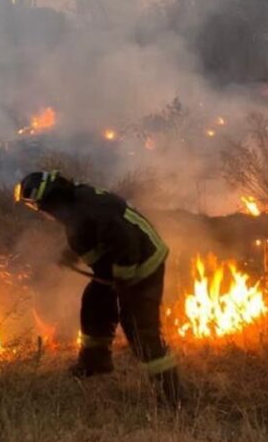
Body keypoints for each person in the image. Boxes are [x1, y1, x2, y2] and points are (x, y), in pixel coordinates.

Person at [15, 170, 180, 402]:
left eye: (38, 206)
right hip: (117, 263)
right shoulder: (76, 202)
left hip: (143, 264)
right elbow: (90, 234)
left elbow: (126, 243)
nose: (41, 213)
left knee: (138, 327)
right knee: (95, 302)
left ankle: (171, 394)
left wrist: (123, 281)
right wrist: (70, 255)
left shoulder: (88, 210)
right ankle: (95, 362)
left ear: (50, 202)